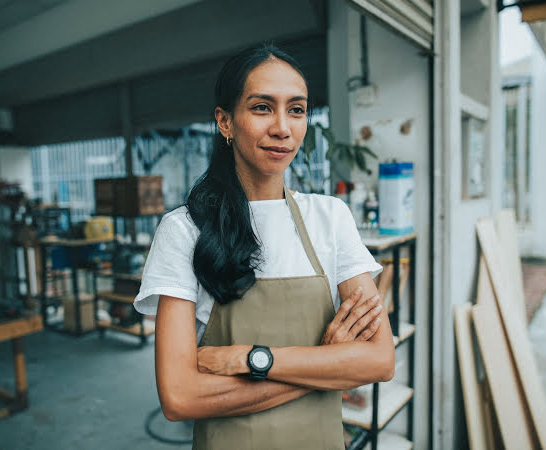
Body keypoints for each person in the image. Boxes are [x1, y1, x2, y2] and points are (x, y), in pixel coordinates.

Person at [134, 43, 395, 450]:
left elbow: (379, 360)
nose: (282, 128)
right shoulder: (183, 230)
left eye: (296, 109)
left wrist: (253, 360)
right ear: (225, 121)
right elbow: (179, 397)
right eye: (261, 107)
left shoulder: (330, 218)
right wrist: (325, 362)